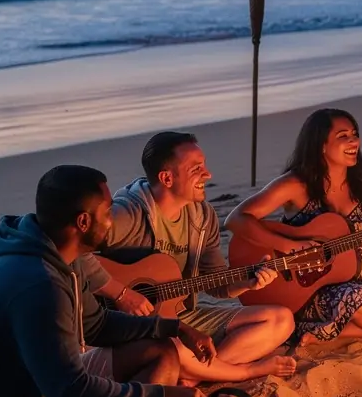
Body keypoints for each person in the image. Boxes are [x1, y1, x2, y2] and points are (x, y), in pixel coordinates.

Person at [0, 166, 204, 397]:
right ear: (83, 222)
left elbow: (97, 325)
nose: (112, 218)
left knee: (161, 351)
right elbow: (70, 393)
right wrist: (157, 395)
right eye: (107, 212)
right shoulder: (37, 282)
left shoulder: (60, 254)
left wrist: (174, 327)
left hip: (41, 389)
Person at [88, 132, 296, 383]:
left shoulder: (203, 217)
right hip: (129, 328)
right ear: (166, 178)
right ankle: (208, 369)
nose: (207, 174)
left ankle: (195, 374)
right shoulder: (127, 214)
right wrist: (122, 294)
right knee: (171, 349)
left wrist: (247, 282)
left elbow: (217, 282)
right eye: (196, 169)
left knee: (282, 320)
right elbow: (70, 254)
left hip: (181, 317)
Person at [225, 108, 362, 343]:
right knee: (359, 301)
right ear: (321, 145)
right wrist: (289, 245)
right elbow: (236, 219)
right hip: (308, 287)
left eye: (354, 134)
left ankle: (332, 331)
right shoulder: (296, 184)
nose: (354, 140)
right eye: (343, 136)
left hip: (360, 276)